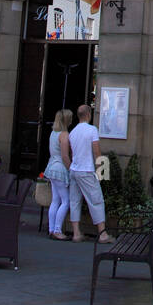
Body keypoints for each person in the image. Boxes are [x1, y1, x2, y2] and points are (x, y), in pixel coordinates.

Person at [68, 105, 111, 244]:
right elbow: (97, 152)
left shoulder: (72, 132)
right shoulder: (92, 130)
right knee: (96, 200)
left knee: (74, 201)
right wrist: (101, 171)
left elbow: (72, 152)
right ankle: (103, 234)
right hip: (86, 170)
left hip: (74, 170)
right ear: (88, 114)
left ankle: (76, 233)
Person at [44, 109, 72, 240]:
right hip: (60, 168)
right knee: (66, 201)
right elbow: (65, 156)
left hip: (51, 167)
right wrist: (71, 168)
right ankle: (57, 230)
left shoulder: (53, 133)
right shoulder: (64, 134)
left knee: (55, 200)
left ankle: (51, 229)